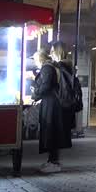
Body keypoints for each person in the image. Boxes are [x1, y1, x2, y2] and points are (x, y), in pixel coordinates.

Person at [32, 46, 72, 174]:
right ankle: (52, 160)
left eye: (35, 60)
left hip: (52, 106)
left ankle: (53, 162)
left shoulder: (47, 68)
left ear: (39, 59)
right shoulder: (50, 67)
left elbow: (46, 86)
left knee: (51, 132)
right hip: (52, 105)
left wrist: (35, 94)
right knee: (52, 133)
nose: (34, 62)